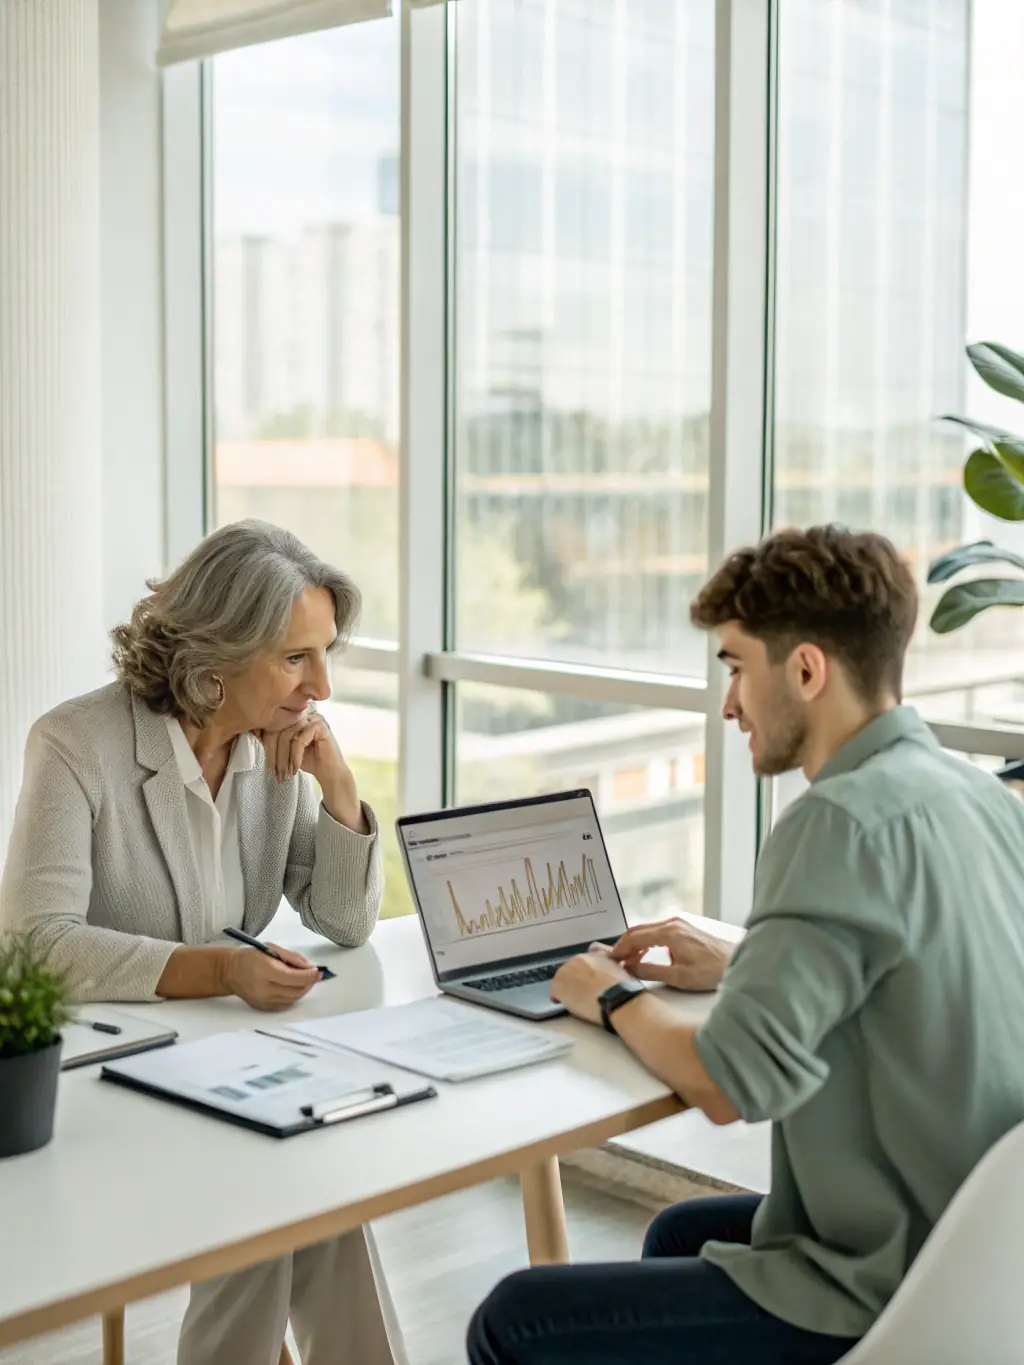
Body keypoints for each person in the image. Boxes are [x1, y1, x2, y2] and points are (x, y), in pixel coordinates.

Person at [467, 524, 1024, 1365]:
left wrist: (608, 993)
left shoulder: (835, 821)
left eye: (735, 667)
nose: (729, 704)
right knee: (682, 1234)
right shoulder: (973, 795)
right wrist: (743, 970)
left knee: (515, 1318)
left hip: (891, 1286)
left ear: (805, 670)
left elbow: (724, 1084)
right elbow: (924, 975)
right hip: (984, 1256)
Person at [0, 520, 402, 1365]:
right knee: (270, 1190)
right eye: (296, 658)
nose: (321, 685)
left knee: (314, 1187)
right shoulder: (75, 745)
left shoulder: (272, 747)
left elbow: (344, 919)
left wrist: (338, 785)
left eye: (324, 654)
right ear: (218, 656)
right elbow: (34, 944)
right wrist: (221, 968)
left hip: (227, 1065)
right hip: (103, 1088)